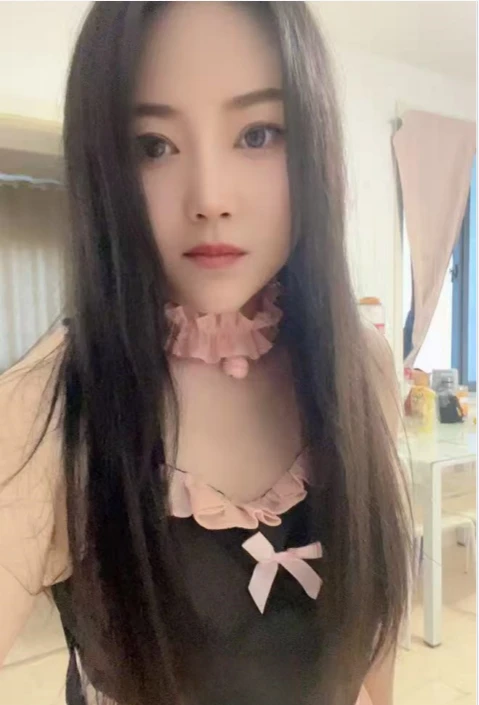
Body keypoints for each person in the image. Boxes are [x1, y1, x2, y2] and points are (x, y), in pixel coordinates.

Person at [0, 3, 411, 704]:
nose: (210, 199)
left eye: (257, 134)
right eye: (153, 145)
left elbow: (370, 642)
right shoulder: (48, 406)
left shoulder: (360, 365)